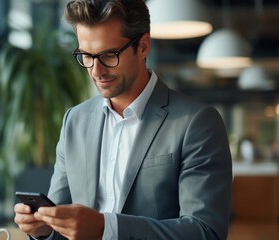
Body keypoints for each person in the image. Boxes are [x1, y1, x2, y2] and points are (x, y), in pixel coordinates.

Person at [14, 0, 232, 239]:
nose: (96, 70)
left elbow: (206, 231)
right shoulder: (74, 121)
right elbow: (61, 220)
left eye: (109, 55)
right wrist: (44, 229)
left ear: (143, 46)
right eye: (86, 55)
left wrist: (105, 227)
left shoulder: (197, 122)